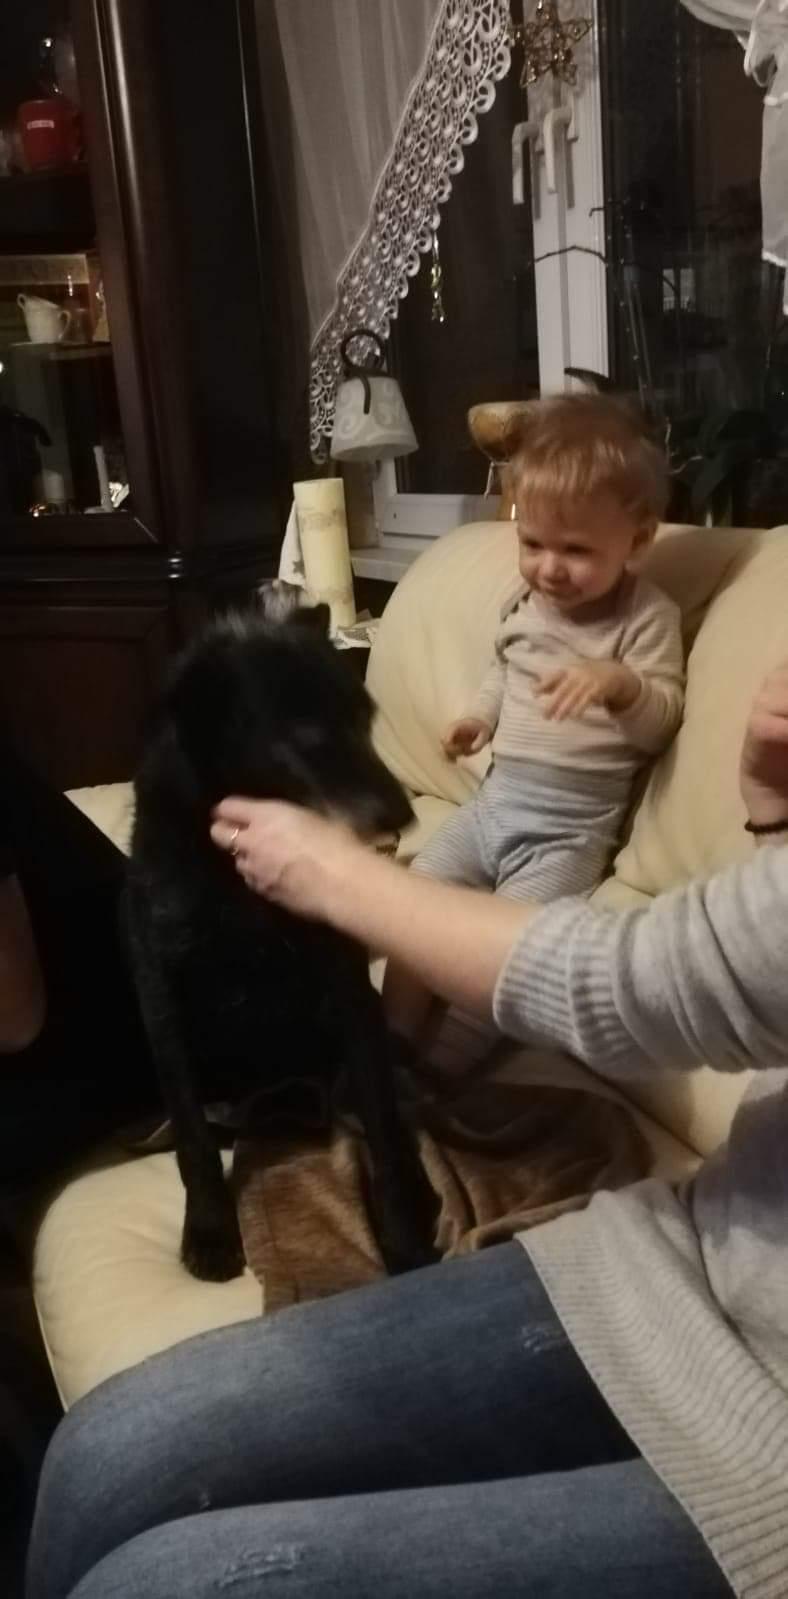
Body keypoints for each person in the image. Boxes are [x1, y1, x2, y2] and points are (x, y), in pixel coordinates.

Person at [24, 661, 788, 1599]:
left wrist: (340, 879)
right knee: (102, 1453)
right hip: (683, 1264)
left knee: (160, 1585)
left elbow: (636, 982)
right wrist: (775, 827)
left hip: (770, 1452)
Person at [384, 394, 684, 1068]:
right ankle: (392, 1040)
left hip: (567, 836)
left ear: (638, 540)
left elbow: (661, 722)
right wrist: (478, 719)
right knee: (415, 897)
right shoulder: (525, 601)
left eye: (575, 549)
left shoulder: (646, 618)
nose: (549, 567)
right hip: (491, 807)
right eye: (532, 543)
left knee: (504, 953)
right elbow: (503, 669)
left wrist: (621, 684)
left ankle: (439, 1073)